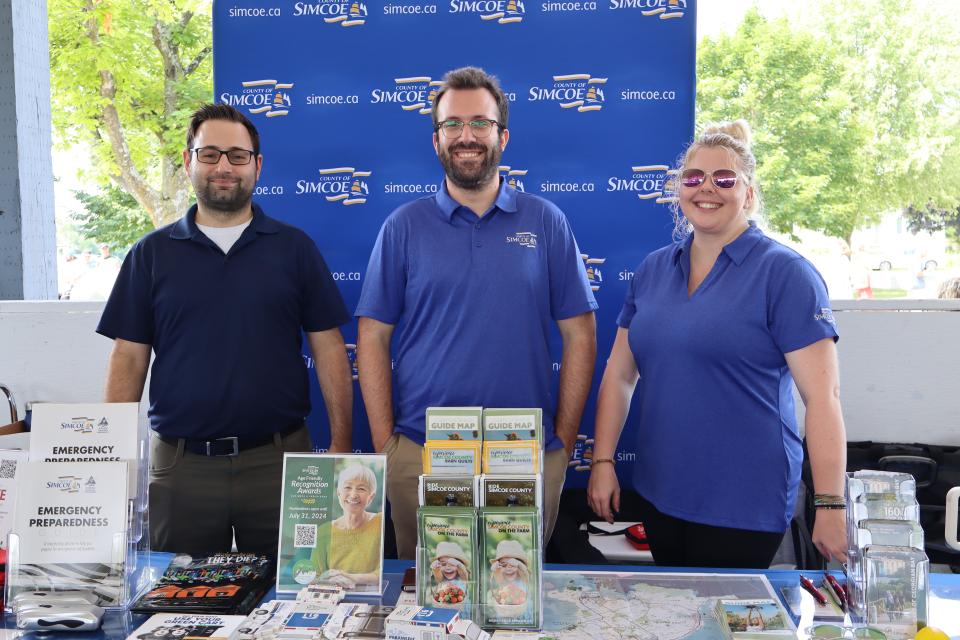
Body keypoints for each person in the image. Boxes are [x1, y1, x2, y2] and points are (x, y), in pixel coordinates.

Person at [355, 66, 598, 559]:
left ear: (502, 136)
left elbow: (581, 334)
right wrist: (389, 447)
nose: (466, 137)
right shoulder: (403, 226)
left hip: (523, 456)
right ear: (436, 140)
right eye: (452, 125)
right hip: (425, 453)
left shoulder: (546, 221)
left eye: (480, 124)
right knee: (426, 610)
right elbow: (372, 337)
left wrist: (561, 447)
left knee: (514, 601)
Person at [587, 120, 848, 568]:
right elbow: (620, 375)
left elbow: (822, 398)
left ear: (748, 193)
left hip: (744, 501)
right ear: (678, 191)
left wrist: (830, 505)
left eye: (724, 179)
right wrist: (603, 461)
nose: (706, 188)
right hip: (659, 491)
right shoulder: (652, 270)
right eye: (693, 178)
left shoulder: (785, 275)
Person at [97, 103, 353, 555]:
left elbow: (330, 347)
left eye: (237, 155)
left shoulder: (294, 250)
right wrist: (110, 458)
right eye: (210, 153)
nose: (223, 167)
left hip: (279, 463)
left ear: (257, 165)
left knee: (290, 608)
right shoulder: (150, 254)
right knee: (177, 611)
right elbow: (129, 356)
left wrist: (340, 444)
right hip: (181, 467)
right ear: (188, 160)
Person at [310, 463, 383, 590]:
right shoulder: (324, 530)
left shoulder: (379, 522)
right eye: (348, 487)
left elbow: (383, 571)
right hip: (334, 598)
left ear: (371, 497)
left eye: (361, 489)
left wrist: (351, 578)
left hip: (370, 596)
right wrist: (328, 580)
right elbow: (313, 576)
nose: (353, 494)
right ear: (338, 493)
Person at [488, 540, 530, 607]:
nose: (508, 568)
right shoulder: (501, 583)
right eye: (504, 565)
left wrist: (519, 564)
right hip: (505, 611)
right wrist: (495, 569)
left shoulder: (524, 580)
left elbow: (527, 574)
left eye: (513, 565)